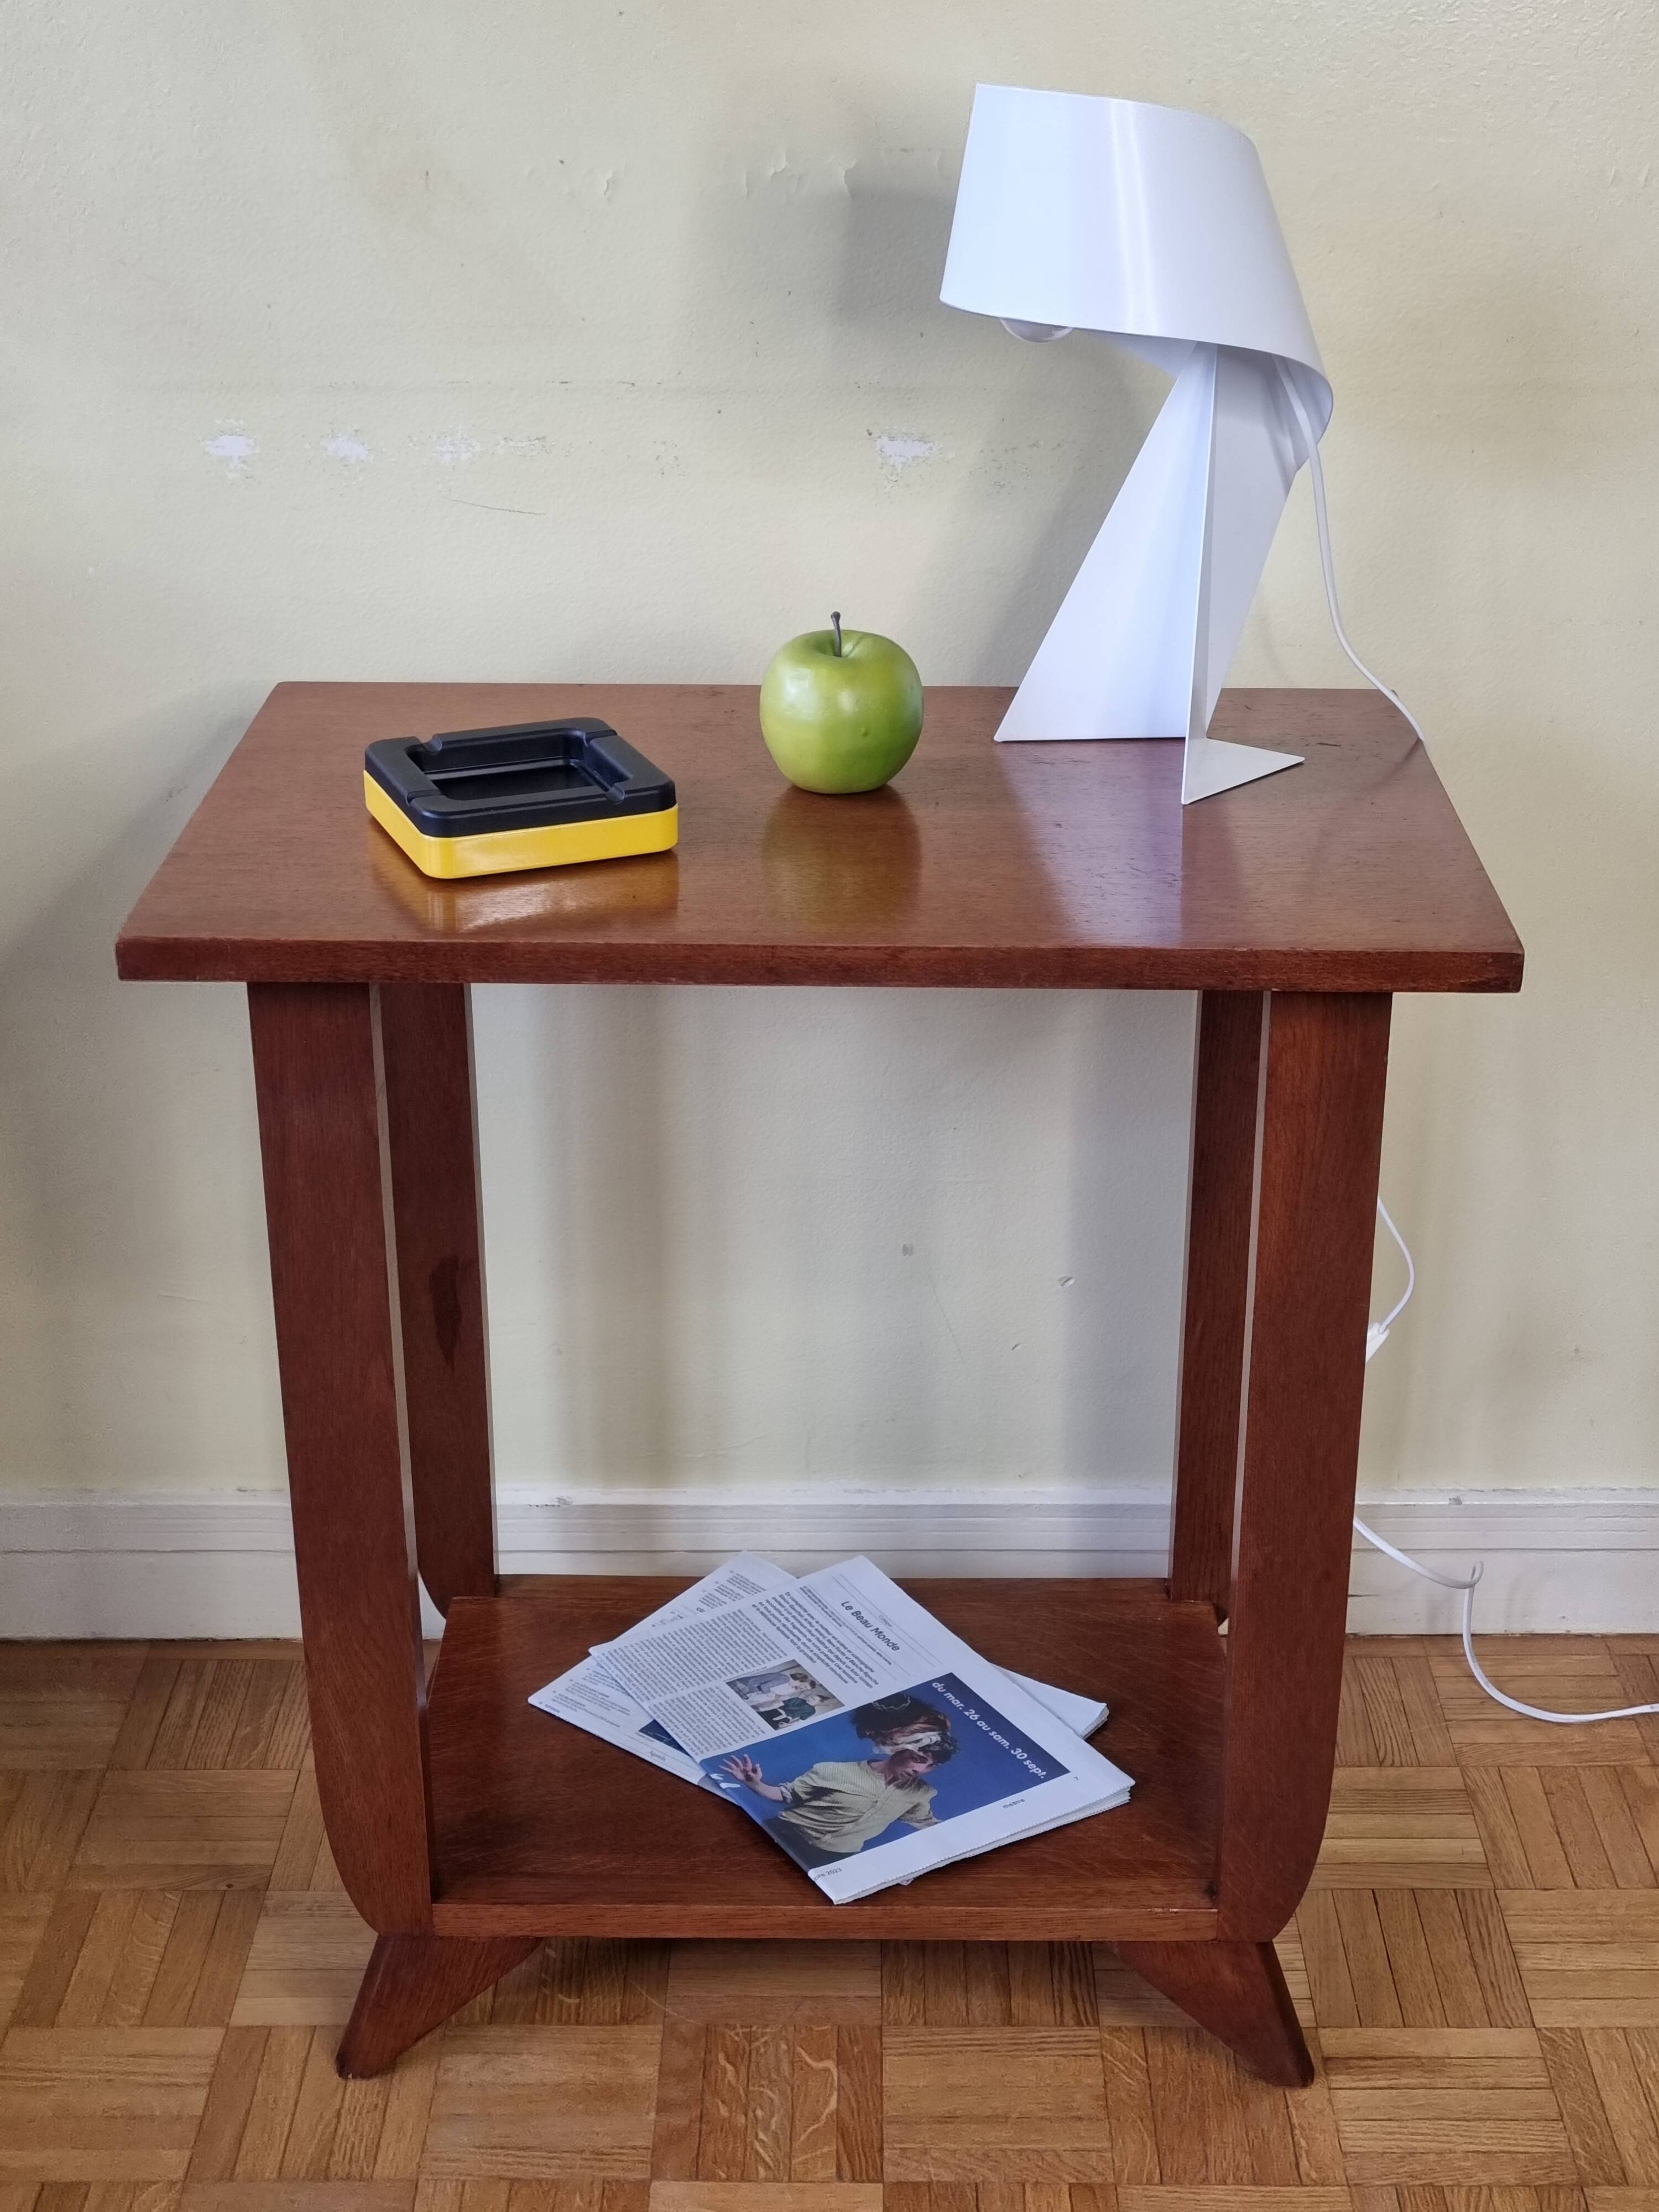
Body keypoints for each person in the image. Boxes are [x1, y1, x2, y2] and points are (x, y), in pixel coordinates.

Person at [720, 1730, 958, 1869]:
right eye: (918, 1758)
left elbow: (927, 1824)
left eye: (930, 1766)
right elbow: (785, 1795)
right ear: (899, 1750)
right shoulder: (833, 1770)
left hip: (836, 1859)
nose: (921, 1769)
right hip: (782, 1835)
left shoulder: (921, 1794)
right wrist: (754, 1783)